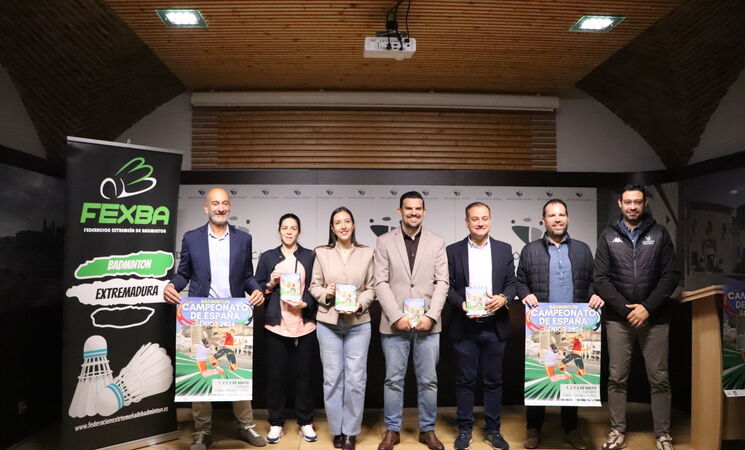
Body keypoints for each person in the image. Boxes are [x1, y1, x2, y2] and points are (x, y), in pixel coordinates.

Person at [164, 187, 267, 450]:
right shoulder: (191, 238)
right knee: (200, 370)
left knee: (237, 372)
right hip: (201, 315)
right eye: (215, 204)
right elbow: (184, 273)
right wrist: (172, 286)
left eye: (224, 203)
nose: (220, 208)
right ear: (206, 207)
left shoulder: (243, 239)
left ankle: (246, 425)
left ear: (229, 207)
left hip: (232, 316)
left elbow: (247, 276)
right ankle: (202, 430)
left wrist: (256, 289)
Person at [594, 185, 679, 450]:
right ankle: (617, 431)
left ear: (645, 204)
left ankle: (663, 434)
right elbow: (600, 278)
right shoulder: (608, 235)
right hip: (618, 320)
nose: (633, 207)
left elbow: (671, 275)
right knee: (617, 378)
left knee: (659, 379)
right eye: (628, 202)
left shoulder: (659, 233)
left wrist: (647, 308)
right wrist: (627, 310)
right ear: (620, 203)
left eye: (638, 202)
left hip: (655, 319)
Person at [516, 198, 604, 450]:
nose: (557, 219)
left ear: (567, 218)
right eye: (552, 215)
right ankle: (534, 428)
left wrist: (595, 295)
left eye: (561, 214)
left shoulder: (582, 249)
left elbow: (593, 280)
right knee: (540, 374)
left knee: (571, 375)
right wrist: (525, 294)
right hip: (543, 324)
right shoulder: (530, 250)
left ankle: (571, 428)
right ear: (543, 220)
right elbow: (520, 280)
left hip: (575, 325)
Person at [373, 191, 449, 450]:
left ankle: (427, 430)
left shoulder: (437, 242)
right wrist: (396, 316)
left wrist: (431, 316)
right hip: (395, 325)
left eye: (418, 209)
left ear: (424, 212)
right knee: (393, 380)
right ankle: (392, 431)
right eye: (409, 208)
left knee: (428, 380)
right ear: (400, 211)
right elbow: (380, 282)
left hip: (428, 325)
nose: (413, 213)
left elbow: (442, 282)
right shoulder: (384, 241)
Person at [446, 202, 517, 450]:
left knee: (493, 381)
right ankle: (464, 430)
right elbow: (446, 287)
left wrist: (504, 298)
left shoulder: (504, 249)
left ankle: (493, 431)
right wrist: (461, 304)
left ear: (490, 220)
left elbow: (512, 283)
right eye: (475, 219)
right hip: (465, 326)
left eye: (484, 218)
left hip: (495, 325)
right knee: (465, 380)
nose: (480, 223)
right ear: (467, 222)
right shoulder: (453, 251)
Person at [309, 207, 376, 450]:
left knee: (356, 379)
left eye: (347, 221)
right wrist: (326, 293)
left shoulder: (367, 253)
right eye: (338, 222)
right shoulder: (321, 253)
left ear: (353, 225)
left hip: (359, 324)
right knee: (332, 379)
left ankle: (350, 431)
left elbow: (371, 288)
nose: (343, 226)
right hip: (328, 324)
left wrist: (359, 304)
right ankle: (336, 429)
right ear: (332, 228)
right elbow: (314, 286)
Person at [254, 213, 318, 445]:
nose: (289, 231)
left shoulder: (310, 256)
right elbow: (258, 288)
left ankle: (305, 421)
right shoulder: (268, 257)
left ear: (299, 231)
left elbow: (316, 287)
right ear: (279, 231)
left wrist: (305, 304)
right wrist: (270, 284)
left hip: (305, 324)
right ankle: (276, 423)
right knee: (275, 376)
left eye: (293, 228)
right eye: (285, 228)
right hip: (276, 325)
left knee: (305, 376)